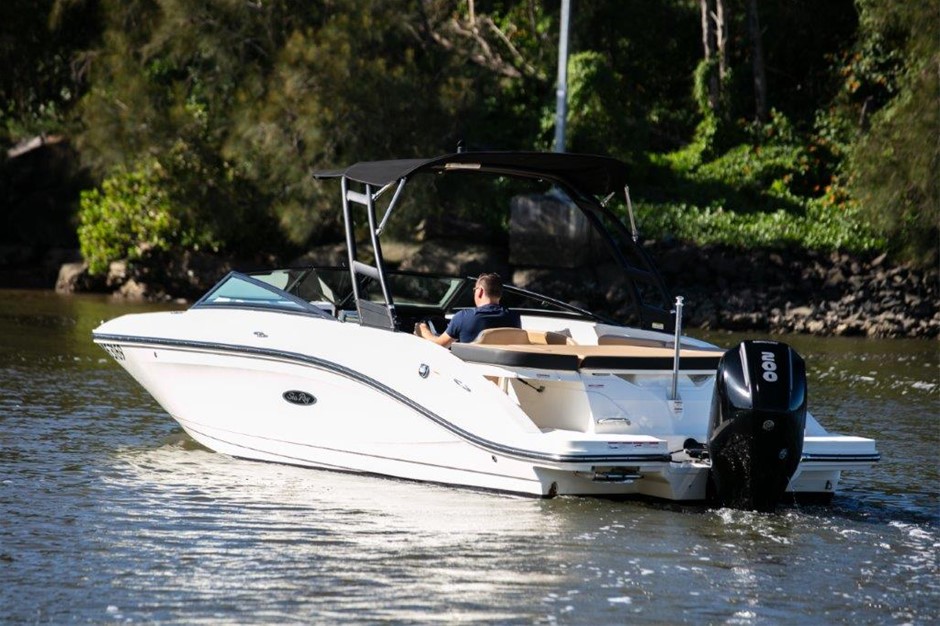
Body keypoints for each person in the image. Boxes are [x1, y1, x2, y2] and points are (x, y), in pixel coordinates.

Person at [417, 273, 521, 347]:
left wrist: (424, 331)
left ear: (480, 291)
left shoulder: (464, 317)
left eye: (474, 290)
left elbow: (440, 345)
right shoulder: (514, 317)